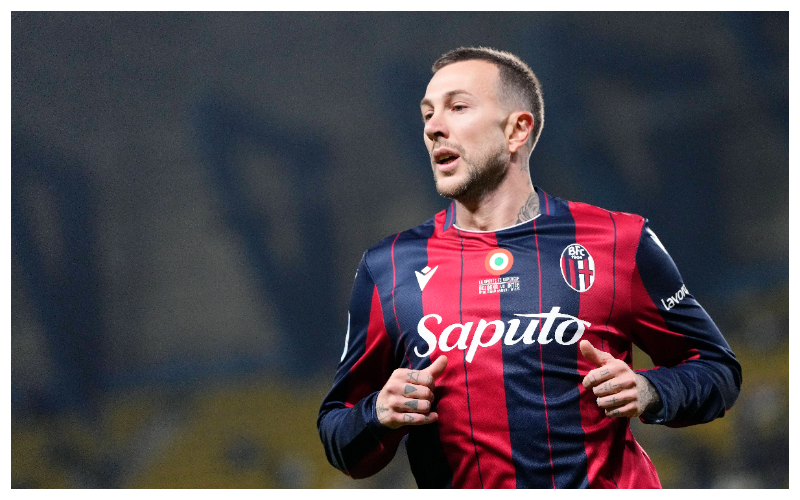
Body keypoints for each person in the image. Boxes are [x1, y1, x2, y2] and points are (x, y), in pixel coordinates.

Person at [317, 46, 741, 488]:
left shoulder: (619, 241)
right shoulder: (388, 267)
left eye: (457, 107)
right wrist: (378, 415)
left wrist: (651, 391)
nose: (433, 128)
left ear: (517, 130)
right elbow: (339, 435)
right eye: (427, 115)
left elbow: (717, 370)